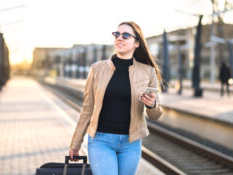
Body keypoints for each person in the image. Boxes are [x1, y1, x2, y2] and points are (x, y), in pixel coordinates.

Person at [69, 21, 163, 175]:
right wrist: (75, 143)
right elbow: (87, 109)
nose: (120, 38)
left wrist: (152, 105)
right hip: (101, 141)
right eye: (117, 34)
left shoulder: (148, 72)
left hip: (131, 143)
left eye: (126, 35)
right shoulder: (97, 69)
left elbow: (155, 115)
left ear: (137, 43)